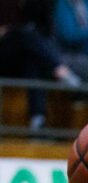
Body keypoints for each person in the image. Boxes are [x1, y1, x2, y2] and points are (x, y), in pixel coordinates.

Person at [0, 0, 82, 131]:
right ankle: (61, 70)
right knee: (23, 34)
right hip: (4, 54)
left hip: (27, 55)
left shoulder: (37, 4)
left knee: (32, 59)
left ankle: (37, 120)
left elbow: (46, 31)